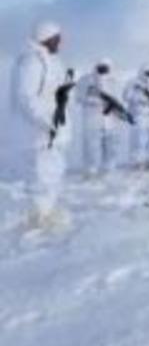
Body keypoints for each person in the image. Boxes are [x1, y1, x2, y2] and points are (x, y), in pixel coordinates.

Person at [9, 21, 73, 230]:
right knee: (42, 173)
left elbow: (53, 93)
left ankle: (46, 211)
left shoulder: (50, 61)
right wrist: (48, 122)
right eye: (56, 38)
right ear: (46, 38)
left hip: (50, 129)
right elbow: (26, 98)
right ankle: (40, 217)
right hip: (38, 131)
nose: (60, 42)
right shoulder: (31, 62)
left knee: (52, 170)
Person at [76, 59, 128, 177]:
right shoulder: (86, 80)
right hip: (93, 119)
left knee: (112, 146)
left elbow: (120, 99)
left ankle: (109, 169)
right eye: (101, 67)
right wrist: (96, 101)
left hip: (111, 119)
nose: (104, 69)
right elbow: (79, 97)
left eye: (106, 67)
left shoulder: (114, 81)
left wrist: (115, 108)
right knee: (91, 146)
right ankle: (90, 170)